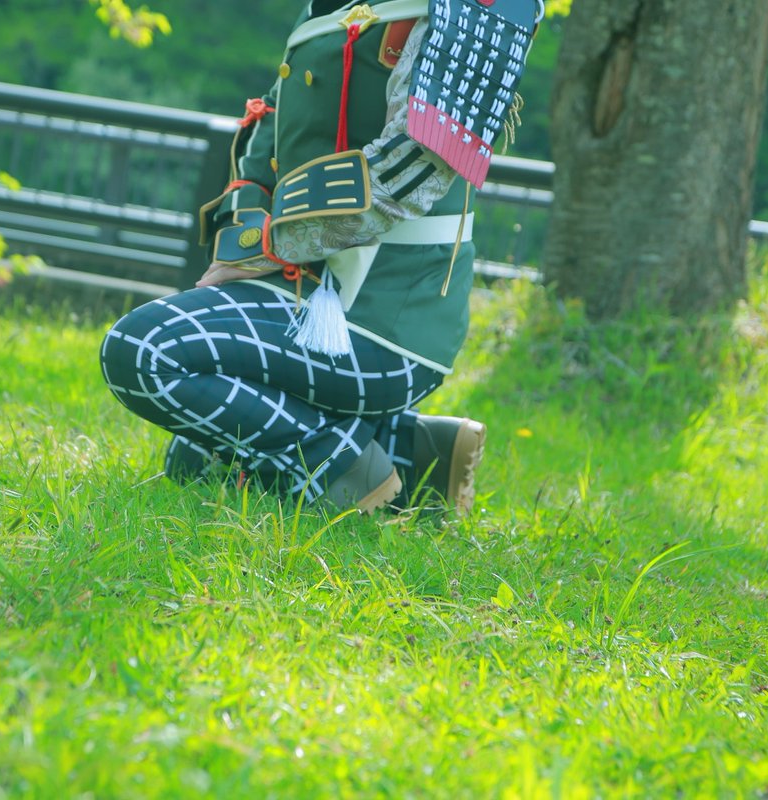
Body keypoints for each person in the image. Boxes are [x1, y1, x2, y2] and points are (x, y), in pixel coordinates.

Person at [100, 0, 543, 515]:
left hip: (382, 321)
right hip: (295, 286)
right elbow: (267, 127)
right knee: (192, 461)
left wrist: (273, 244)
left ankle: (338, 463)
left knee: (141, 351)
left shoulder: (488, 5)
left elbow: (413, 169)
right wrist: (246, 242)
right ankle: (413, 452)